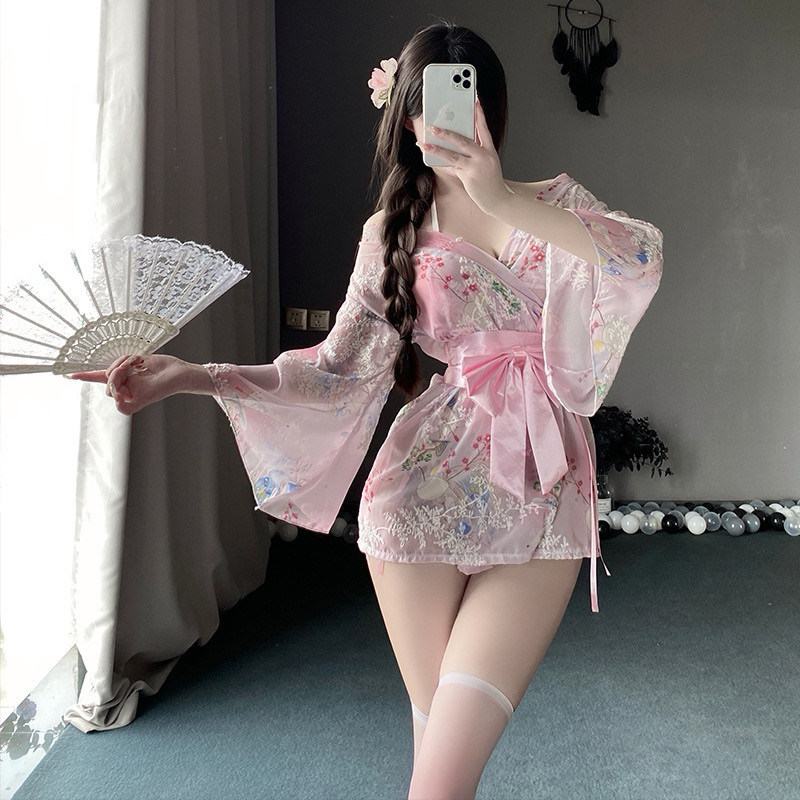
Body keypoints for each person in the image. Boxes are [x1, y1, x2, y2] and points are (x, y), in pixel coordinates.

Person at [73, 21, 663, 800]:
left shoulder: (556, 203)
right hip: (418, 495)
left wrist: (495, 196)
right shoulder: (390, 235)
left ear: (493, 109)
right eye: (430, 105)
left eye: (467, 99)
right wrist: (193, 377)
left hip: (543, 492)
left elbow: (640, 256)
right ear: (407, 117)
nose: (450, 120)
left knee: (440, 778)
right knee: (438, 765)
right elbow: (335, 373)